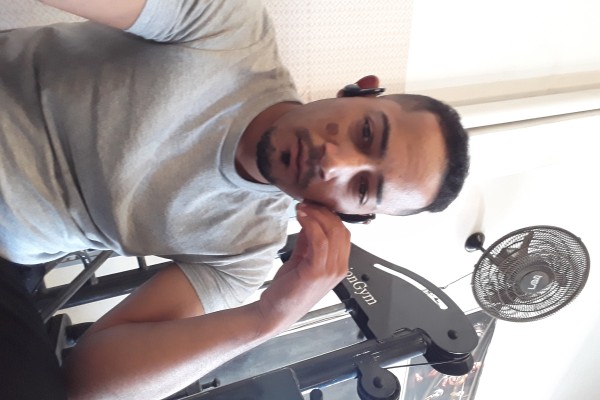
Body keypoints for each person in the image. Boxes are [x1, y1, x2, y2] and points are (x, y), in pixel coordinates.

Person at [0, 1, 470, 399]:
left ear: (349, 215)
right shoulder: (229, 28)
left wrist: (268, 318)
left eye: (362, 187)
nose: (333, 162)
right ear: (359, 90)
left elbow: (89, 383)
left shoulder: (246, 257)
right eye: (365, 131)